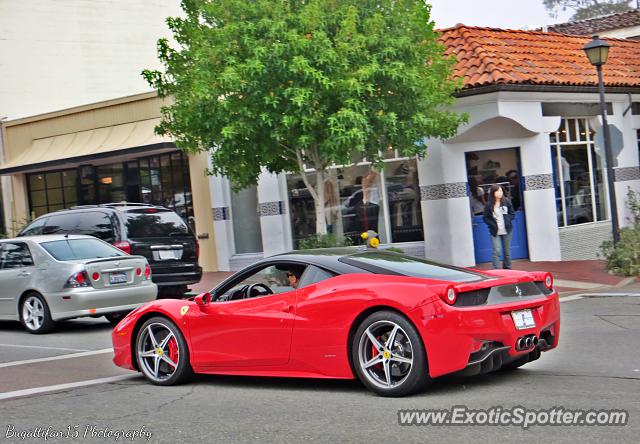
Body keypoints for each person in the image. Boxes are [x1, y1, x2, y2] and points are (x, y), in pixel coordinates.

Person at [482, 184, 515, 269]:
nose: (500, 193)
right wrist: (492, 224)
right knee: (497, 251)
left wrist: (507, 220)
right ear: (493, 192)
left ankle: (507, 268)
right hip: (495, 231)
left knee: (507, 252)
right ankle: (496, 270)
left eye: (501, 191)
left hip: (507, 230)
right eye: (497, 191)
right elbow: (485, 217)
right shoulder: (489, 204)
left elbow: (512, 214)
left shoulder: (506, 201)